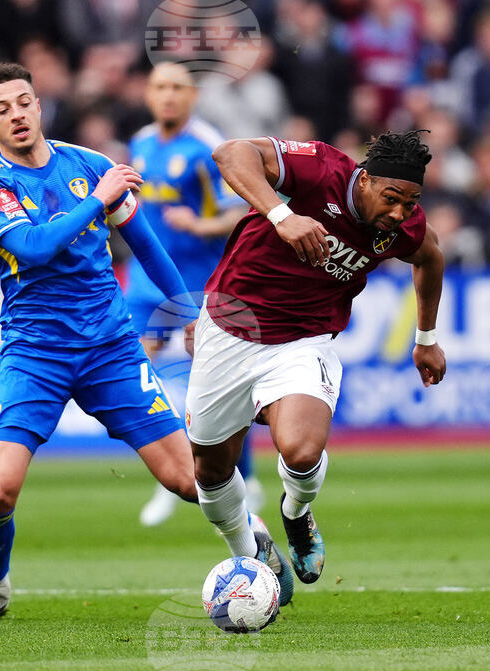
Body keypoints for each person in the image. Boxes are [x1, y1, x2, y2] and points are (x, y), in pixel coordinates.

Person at [0, 63, 294, 621]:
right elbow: (37, 247)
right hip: (34, 351)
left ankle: (253, 555)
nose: (16, 115)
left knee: (190, 478)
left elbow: (145, 242)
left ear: (39, 106)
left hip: (110, 346)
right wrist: (98, 199)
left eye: (24, 102)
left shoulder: (86, 164)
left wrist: (185, 305)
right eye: (1, 109)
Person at [186, 130, 446, 588]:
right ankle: (251, 555)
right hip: (229, 329)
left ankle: (296, 511)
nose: (399, 213)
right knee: (209, 473)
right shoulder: (319, 169)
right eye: (391, 198)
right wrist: (283, 215)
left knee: (302, 451)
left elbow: (431, 256)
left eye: (410, 202)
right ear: (363, 180)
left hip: (305, 341)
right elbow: (230, 153)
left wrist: (426, 338)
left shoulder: (402, 228)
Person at [127, 62, 262, 527]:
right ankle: (170, 475)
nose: (167, 96)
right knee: (133, 371)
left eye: (177, 88)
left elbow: (242, 210)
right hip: (146, 282)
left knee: (213, 388)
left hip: (201, 284)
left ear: (192, 97)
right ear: (148, 94)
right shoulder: (140, 145)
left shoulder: (209, 146)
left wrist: (199, 224)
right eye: (160, 87)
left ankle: (244, 476)